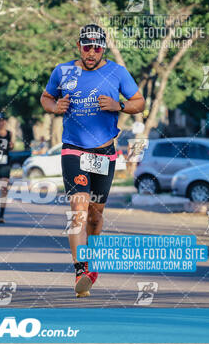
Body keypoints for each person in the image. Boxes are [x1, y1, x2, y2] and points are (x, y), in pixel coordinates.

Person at [40, 24, 145, 297]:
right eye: (87, 47)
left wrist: (118, 106)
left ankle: (91, 264)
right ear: (79, 46)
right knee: (78, 209)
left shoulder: (117, 72)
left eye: (97, 48)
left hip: (104, 152)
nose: (91, 52)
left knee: (96, 217)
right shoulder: (63, 71)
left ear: (103, 48)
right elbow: (46, 97)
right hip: (74, 149)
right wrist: (54, 107)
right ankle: (80, 270)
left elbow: (139, 102)